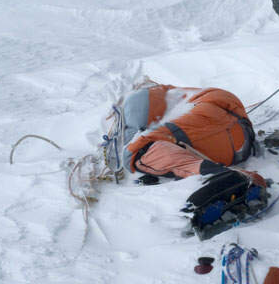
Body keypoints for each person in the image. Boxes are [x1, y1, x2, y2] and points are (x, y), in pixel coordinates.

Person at [103, 83, 268, 239]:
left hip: (216, 129)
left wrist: (133, 154)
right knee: (156, 146)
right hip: (239, 131)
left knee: (137, 153)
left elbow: (137, 139)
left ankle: (216, 176)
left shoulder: (137, 99)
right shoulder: (177, 93)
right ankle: (227, 179)